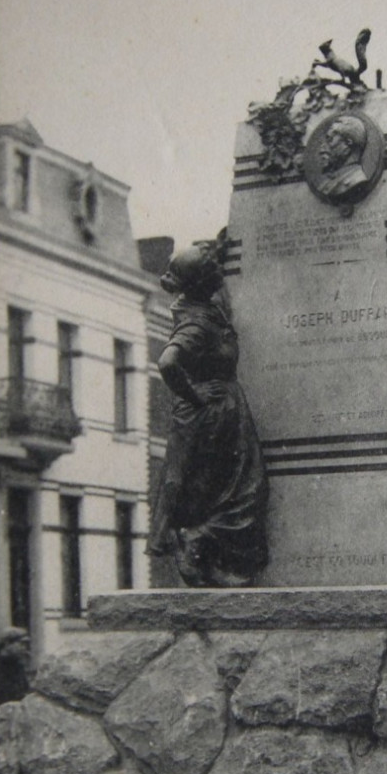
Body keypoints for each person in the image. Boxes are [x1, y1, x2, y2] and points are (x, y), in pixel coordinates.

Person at [148, 245, 268, 587]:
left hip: (222, 410)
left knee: (226, 489)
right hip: (211, 415)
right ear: (202, 282)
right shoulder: (197, 322)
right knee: (244, 490)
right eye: (212, 271)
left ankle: (205, 554)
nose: (218, 275)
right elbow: (168, 362)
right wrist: (194, 393)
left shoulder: (203, 308)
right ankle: (196, 541)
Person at [316, 115, 369, 199]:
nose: (322, 149)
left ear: (348, 143)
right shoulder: (326, 184)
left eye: (330, 139)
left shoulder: (356, 179)